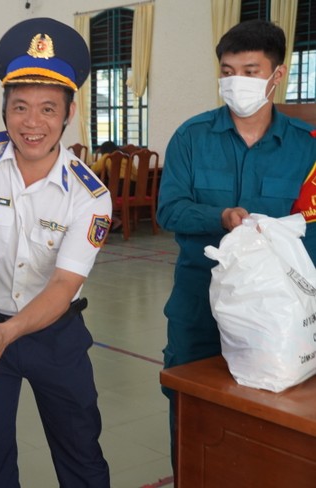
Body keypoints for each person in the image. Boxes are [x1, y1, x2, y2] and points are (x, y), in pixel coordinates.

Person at [0, 18, 111, 488]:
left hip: (54, 333)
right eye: (20, 107)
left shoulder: (89, 195)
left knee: (80, 451)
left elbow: (63, 284)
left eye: (47, 109)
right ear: (4, 109)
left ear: (69, 113)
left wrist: (8, 333)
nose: (32, 123)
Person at [157, 19, 316, 462]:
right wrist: (222, 217)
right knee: (191, 410)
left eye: (250, 71)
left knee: (272, 416)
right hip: (199, 307)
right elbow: (169, 209)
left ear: (276, 76)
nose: (236, 82)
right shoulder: (192, 137)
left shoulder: (307, 148)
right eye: (228, 72)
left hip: (277, 313)